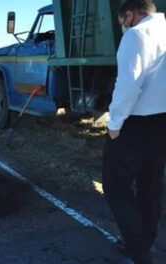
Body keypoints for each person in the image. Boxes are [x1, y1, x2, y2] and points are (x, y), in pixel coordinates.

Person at [102, 1, 166, 263]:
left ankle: (138, 249)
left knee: (115, 185)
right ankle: (146, 240)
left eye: (122, 21)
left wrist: (114, 124)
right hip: (163, 122)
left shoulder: (136, 35)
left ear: (129, 14)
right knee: (151, 185)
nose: (123, 26)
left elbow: (128, 85)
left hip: (137, 124)